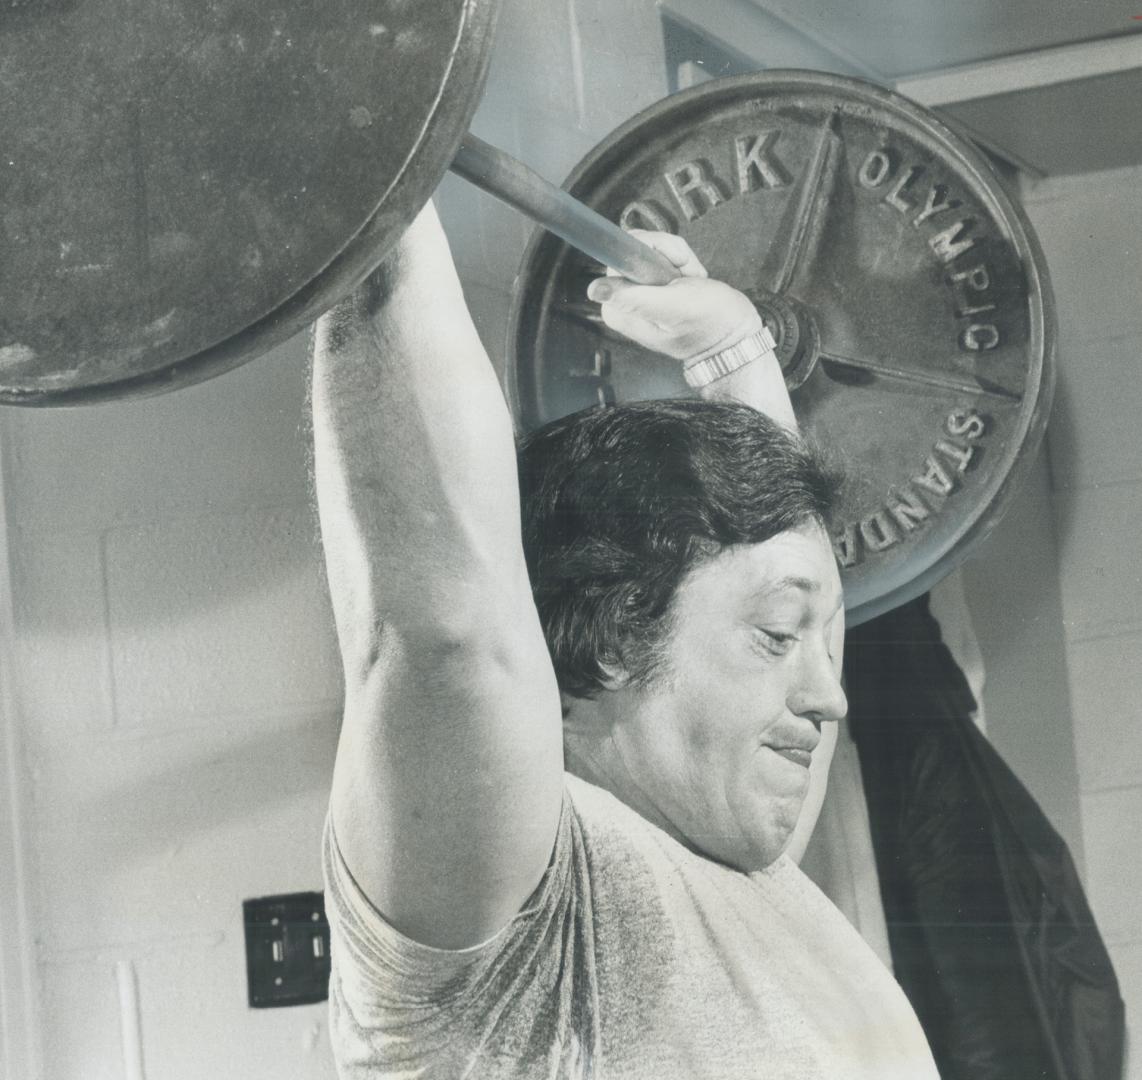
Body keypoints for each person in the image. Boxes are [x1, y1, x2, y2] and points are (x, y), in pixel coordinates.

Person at [310, 199, 940, 1079]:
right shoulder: (531, 906)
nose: (829, 692)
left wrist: (736, 352)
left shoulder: (737, 855)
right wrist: (382, 186)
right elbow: (446, 633)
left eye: (810, 640)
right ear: (613, 642)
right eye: (772, 639)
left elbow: (807, 597)